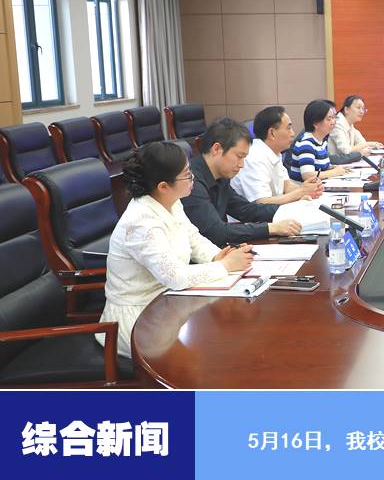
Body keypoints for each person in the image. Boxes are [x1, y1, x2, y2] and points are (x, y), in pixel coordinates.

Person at [98, 142, 254, 357]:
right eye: (187, 175)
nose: (193, 179)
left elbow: (193, 237)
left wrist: (217, 255)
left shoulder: (171, 201)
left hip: (170, 301)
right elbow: (176, 277)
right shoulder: (141, 222)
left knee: (221, 334)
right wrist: (225, 266)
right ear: (163, 186)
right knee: (208, 349)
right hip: (139, 317)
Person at [182, 117, 302, 246]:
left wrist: (290, 210)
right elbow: (216, 231)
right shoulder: (190, 182)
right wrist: (270, 228)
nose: (242, 165)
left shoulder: (221, 176)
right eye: (239, 156)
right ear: (216, 149)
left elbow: (245, 210)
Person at [231, 106, 323, 204]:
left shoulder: (274, 152)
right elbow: (261, 203)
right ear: (272, 133)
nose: (293, 133)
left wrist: (307, 188)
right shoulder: (255, 158)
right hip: (253, 213)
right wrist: (301, 192)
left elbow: (286, 186)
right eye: (288, 128)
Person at [287, 99, 349, 182]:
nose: (333, 122)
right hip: (302, 188)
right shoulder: (306, 143)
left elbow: (322, 167)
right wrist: (335, 172)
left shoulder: (321, 141)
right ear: (315, 123)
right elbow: (307, 175)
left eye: (334, 117)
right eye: (329, 119)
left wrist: (334, 168)